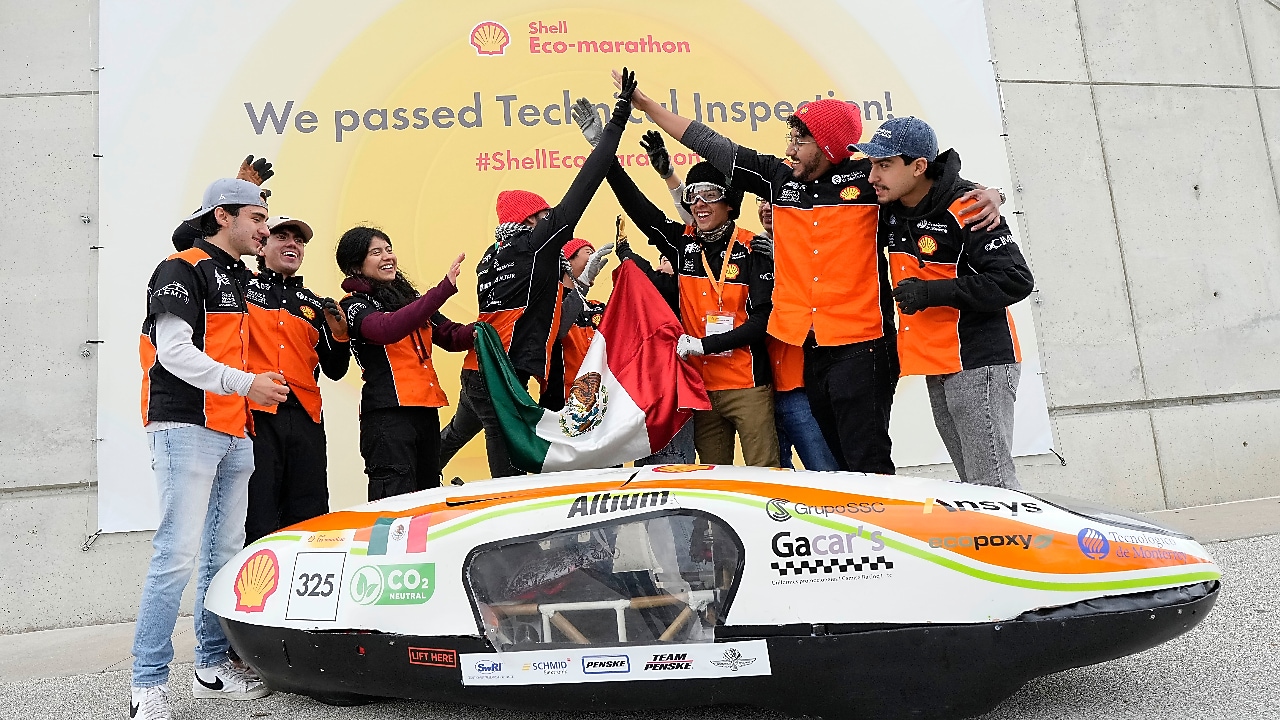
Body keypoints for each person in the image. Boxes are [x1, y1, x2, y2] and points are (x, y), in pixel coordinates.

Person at [623, 75, 1002, 473]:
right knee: (836, 466)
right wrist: (648, 106)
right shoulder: (779, 177)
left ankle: (876, 534)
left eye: (800, 142)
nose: (790, 150)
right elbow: (712, 143)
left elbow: (933, 183)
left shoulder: (869, 179)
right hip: (807, 346)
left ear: (827, 144)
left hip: (864, 343)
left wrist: (991, 193)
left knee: (867, 462)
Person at [132, 178, 283, 719]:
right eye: (257, 217)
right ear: (223, 217)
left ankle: (211, 667)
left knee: (224, 556)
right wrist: (246, 384)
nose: (266, 228)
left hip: (234, 432)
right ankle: (147, 683)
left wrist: (243, 397)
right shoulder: (180, 268)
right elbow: (173, 353)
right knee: (176, 554)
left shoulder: (236, 277)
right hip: (184, 427)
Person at [439, 69, 638, 477]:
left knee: (471, 442)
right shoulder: (537, 244)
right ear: (531, 220)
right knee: (509, 478)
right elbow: (587, 182)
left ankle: (421, 477)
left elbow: (530, 308)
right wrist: (617, 122)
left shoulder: (490, 256)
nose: (554, 220)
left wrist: (575, 283)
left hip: (484, 371)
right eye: (546, 215)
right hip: (500, 376)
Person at [857, 117, 1033, 488]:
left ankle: (1019, 546)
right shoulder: (892, 201)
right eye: (872, 163)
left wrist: (932, 293)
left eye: (884, 164)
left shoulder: (967, 207)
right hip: (938, 362)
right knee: (974, 485)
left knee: (993, 486)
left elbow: (1016, 280)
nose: (872, 175)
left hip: (977, 360)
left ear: (919, 166)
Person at [603, 154, 780, 467]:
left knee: (763, 475)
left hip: (747, 386)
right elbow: (641, 210)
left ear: (729, 204)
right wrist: (605, 158)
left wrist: (704, 344)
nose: (699, 203)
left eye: (710, 195)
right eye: (692, 195)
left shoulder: (753, 249)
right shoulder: (682, 244)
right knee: (714, 482)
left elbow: (763, 321)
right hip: (701, 389)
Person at [337, 228, 474, 499]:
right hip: (388, 415)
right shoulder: (353, 305)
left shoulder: (409, 300)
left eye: (389, 249)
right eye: (376, 252)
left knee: (428, 496)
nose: (388, 257)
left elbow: (453, 336)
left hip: (425, 411)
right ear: (356, 266)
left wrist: (496, 323)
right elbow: (385, 329)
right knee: (394, 501)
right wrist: (442, 290)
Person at [242, 216, 351, 542]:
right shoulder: (240, 286)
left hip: (305, 418)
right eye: (283, 236)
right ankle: (255, 590)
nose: (293, 244)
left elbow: (335, 370)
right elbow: (196, 249)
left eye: (299, 240)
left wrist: (340, 334)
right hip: (255, 413)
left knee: (310, 513)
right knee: (257, 511)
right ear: (261, 245)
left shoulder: (316, 305)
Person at [755, 199, 839, 471]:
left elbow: (821, 300)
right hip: (760, 389)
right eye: (759, 201)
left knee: (827, 476)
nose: (765, 208)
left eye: (771, 202)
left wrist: (782, 260)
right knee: (775, 489)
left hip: (800, 386)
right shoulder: (749, 249)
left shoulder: (814, 247)